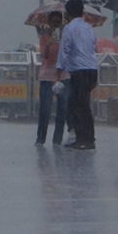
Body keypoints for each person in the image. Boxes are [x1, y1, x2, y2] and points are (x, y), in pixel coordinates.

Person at [56, 0, 98, 150]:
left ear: (68, 12)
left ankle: (84, 139)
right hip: (92, 69)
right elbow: (93, 46)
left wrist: (58, 71)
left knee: (78, 105)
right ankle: (87, 137)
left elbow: (64, 50)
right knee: (82, 103)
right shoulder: (89, 28)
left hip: (79, 71)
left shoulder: (69, 28)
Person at [35, 11, 70, 146]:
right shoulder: (44, 38)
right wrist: (50, 43)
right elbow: (45, 56)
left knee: (62, 109)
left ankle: (57, 139)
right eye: (53, 22)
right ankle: (40, 138)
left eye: (58, 21)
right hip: (47, 76)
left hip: (63, 75)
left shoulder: (66, 37)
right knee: (45, 109)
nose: (55, 24)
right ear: (49, 23)